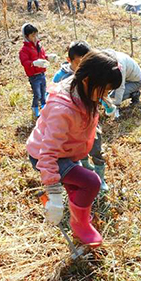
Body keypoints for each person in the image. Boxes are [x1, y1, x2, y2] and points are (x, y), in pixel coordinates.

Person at [26, 50, 123, 247]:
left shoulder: (83, 88)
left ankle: (79, 219)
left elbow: (97, 96)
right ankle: (80, 225)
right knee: (90, 182)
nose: (104, 96)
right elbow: (48, 152)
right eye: (104, 91)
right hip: (46, 155)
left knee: (76, 187)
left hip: (67, 151)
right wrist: (53, 194)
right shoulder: (62, 110)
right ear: (88, 80)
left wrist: (109, 104)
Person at [51, 40, 111, 191]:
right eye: (79, 62)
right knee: (78, 150)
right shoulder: (62, 77)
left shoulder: (92, 76)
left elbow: (100, 93)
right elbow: (52, 95)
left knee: (96, 148)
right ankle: (84, 169)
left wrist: (108, 105)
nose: (83, 66)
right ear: (69, 60)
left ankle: (100, 178)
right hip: (72, 125)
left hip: (90, 122)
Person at [19, 23, 56, 118]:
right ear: (27, 36)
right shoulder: (24, 50)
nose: (35, 37)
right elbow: (25, 62)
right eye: (32, 35)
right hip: (33, 75)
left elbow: (42, 57)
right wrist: (34, 63)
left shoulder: (39, 46)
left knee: (43, 91)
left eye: (36, 34)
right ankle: (35, 108)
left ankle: (44, 107)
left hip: (42, 73)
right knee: (37, 94)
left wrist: (48, 57)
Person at [103, 49, 141, 113]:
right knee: (108, 97)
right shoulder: (107, 56)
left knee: (112, 98)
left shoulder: (119, 66)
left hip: (135, 82)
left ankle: (134, 94)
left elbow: (120, 87)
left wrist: (115, 105)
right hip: (126, 79)